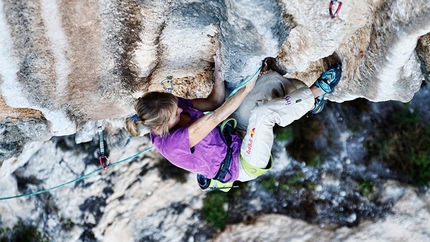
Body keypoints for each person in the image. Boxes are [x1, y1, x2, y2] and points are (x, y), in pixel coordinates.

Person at [126, 56, 342, 191]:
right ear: (158, 127)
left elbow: (213, 102)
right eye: (176, 114)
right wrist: (247, 87)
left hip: (233, 134)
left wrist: (219, 77)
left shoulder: (167, 105)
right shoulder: (173, 144)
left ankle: (309, 103)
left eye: (176, 105)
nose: (181, 109)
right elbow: (216, 115)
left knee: (271, 81)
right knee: (263, 115)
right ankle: (318, 92)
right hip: (242, 163)